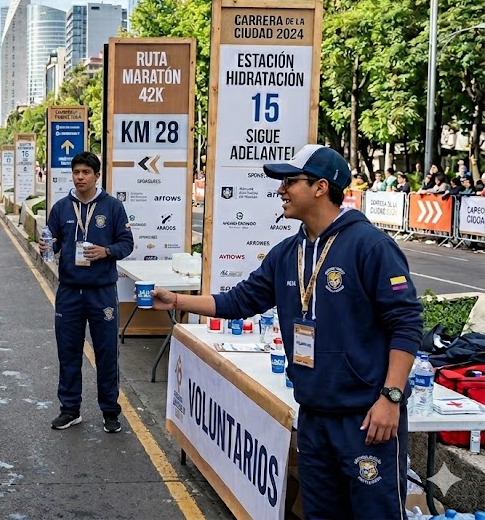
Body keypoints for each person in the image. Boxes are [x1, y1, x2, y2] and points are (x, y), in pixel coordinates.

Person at [150, 145, 422, 519]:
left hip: (366, 420)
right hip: (313, 416)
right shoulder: (287, 252)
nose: (281, 190)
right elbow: (241, 301)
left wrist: (391, 397)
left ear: (320, 187)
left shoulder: (370, 245)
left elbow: (406, 323)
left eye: (290, 181)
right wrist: (177, 299)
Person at [37, 152, 133, 433]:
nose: (80, 177)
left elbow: (127, 243)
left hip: (102, 292)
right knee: (68, 352)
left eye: (86, 173)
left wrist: (106, 251)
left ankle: (110, 411)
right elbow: (51, 241)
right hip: (68, 291)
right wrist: (46, 247)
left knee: (106, 353)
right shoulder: (61, 208)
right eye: (76, 172)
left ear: (96, 176)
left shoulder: (112, 207)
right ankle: (70, 409)